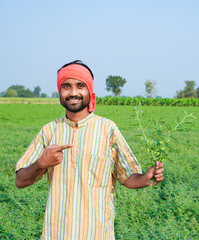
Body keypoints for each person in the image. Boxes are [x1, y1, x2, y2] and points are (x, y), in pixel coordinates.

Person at [15, 60, 164, 240]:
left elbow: (128, 178)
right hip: (57, 233)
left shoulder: (107, 129)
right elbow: (20, 181)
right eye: (66, 86)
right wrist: (41, 163)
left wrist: (146, 178)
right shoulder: (49, 131)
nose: (73, 93)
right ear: (60, 92)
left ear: (89, 91)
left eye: (80, 86)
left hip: (97, 233)